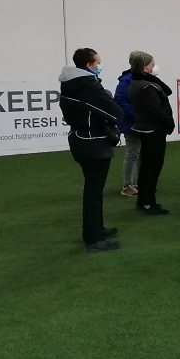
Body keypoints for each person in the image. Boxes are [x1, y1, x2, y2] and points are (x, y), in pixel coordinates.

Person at [58, 48, 123, 253]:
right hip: (93, 142)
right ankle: (93, 239)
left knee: (94, 190)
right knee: (93, 192)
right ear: (88, 65)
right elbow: (116, 113)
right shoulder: (87, 86)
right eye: (97, 63)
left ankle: (97, 230)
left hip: (82, 139)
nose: (99, 66)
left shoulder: (71, 83)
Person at [127, 52, 175, 215]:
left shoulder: (137, 81)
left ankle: (145, 200)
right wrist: (168, 123)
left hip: (145, 127)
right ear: (144, 67)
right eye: (152, 65)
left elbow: (165, 92)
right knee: (152, 167)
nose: (154, 67)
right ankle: (147, 202)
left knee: (147, 165)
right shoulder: (146, 86)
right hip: (152, 130)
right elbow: (155, 110)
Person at [113, 51, 142, 197]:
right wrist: (134, 114)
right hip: (131, 123)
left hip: (140, 122)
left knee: (139, 153)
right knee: (133, 153)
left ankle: (138, 182)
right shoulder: (127, 80)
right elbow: (119, 99)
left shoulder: (135, 78)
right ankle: (127, 185)